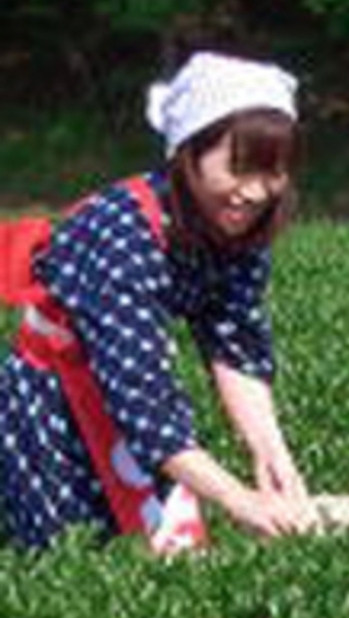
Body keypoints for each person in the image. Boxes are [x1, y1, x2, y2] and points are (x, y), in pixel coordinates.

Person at [0, 51, 312, 552]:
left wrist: (272, 456)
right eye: (237, 169)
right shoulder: (122, 235)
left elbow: (237, 347)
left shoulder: (237, 230)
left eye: (272, 173)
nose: (255, 193)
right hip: (57, 401)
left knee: (169, 546)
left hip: (125, 394)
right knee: (82, 555)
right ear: (188, 156)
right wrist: (238, 500)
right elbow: (141, 397)